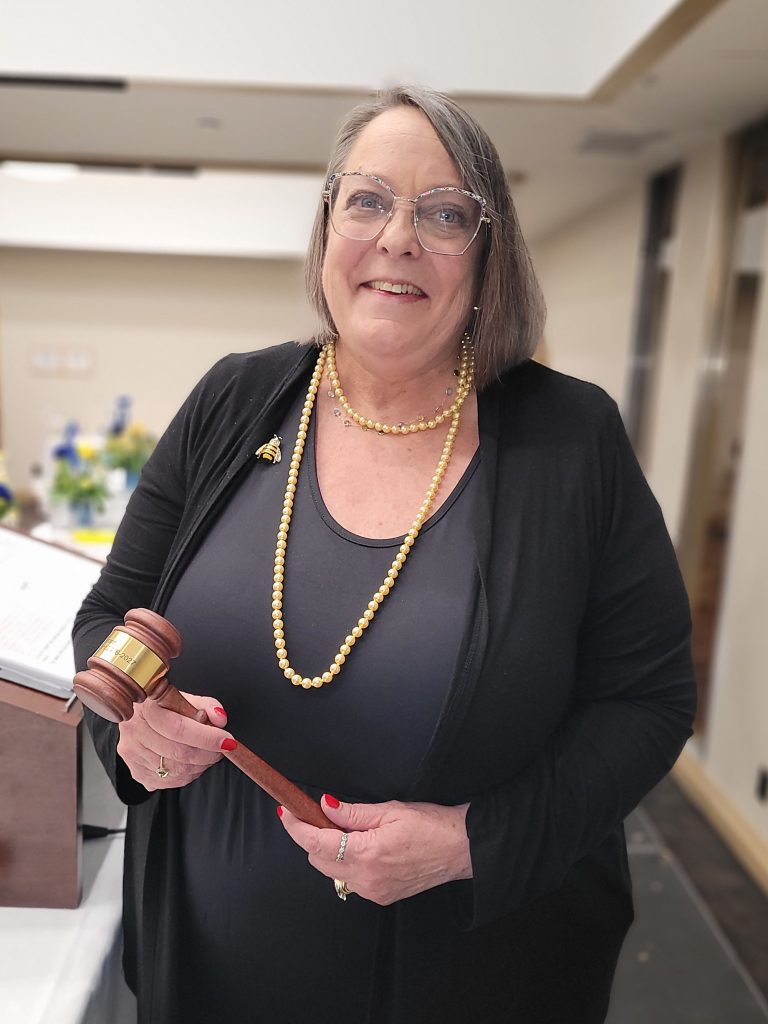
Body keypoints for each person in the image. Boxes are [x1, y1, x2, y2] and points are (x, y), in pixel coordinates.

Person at [74, 85, 696, 1024]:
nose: (398, 237)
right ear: (329, 227)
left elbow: (648, 701)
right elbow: (109, 617)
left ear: (488, 259)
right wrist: (136, 733)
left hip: (475, 973)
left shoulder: (571, 439)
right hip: (209, 965)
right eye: (368, 200)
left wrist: (473, 843)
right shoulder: (234, 400)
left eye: (444, 214)